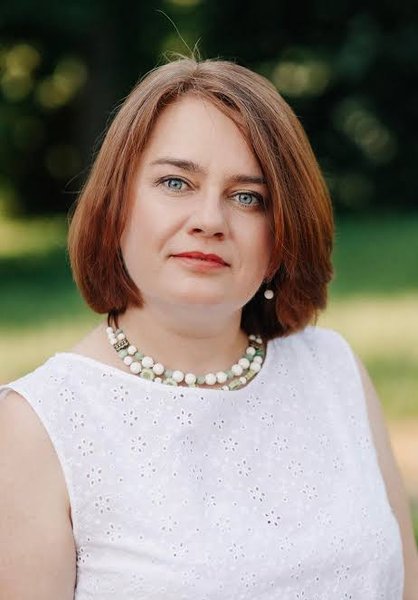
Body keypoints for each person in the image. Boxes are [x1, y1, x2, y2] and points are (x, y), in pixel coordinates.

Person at [0, 56, 416, 600]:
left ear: (282, 234)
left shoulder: (334, 369)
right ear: (116, 205)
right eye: (176, 182)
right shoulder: (36, 427)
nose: (210, 220)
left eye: (248, 197)